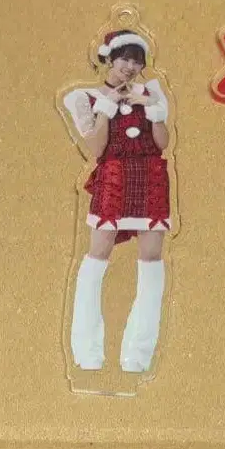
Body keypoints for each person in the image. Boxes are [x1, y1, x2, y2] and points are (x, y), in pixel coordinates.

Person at [62, 28, 171, 372]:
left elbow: (163, 143)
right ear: (109, 58)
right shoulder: (84, 97)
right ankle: (87, 352)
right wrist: (108, 106)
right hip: (113, 178)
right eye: (124, 58)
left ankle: (139, 355)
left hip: (151, 177)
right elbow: (96, 148)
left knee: (152, 260)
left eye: (137, 62)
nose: (130, 67)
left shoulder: (152, 92)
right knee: (97, 255)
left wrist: (152, 109)